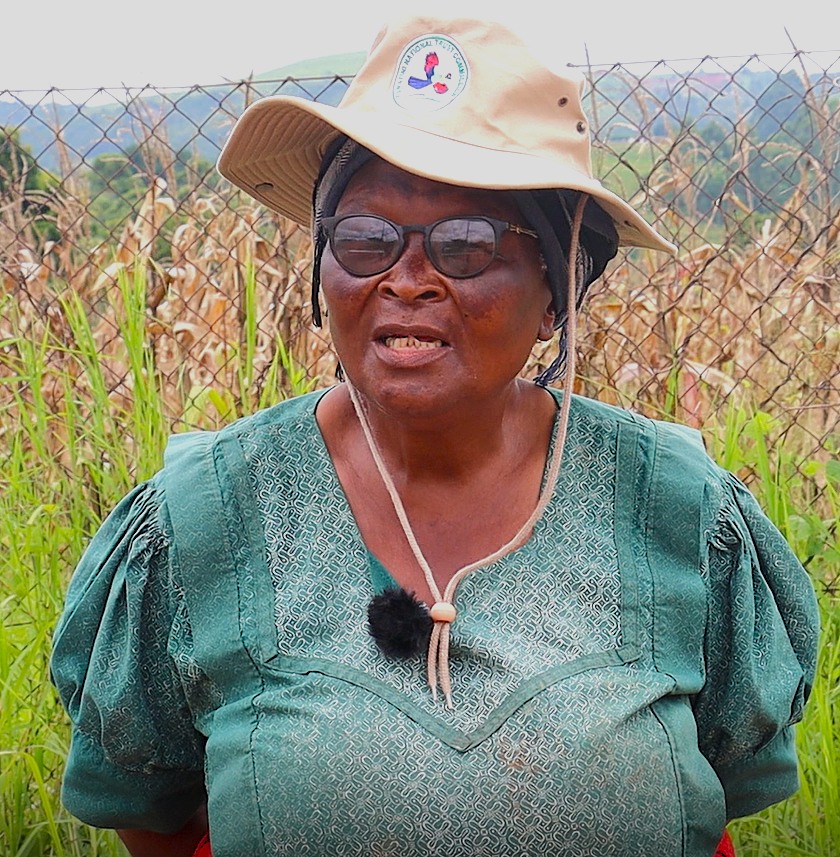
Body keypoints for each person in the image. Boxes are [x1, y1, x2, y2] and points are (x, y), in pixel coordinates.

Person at [50, 14, 819, 857]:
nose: (406, 280)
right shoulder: (206, 521)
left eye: (466, 245)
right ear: (321, 268)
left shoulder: (678, 512)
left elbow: (714, 797)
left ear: (558, 285)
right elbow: (152, 812)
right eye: (366, 238)